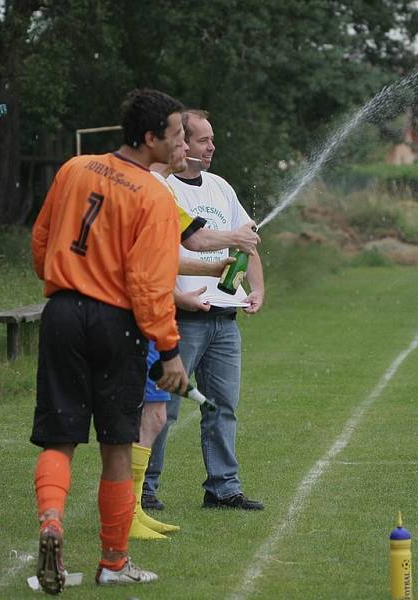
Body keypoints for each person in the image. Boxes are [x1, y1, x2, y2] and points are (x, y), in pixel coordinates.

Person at [30, 88, 190, 594]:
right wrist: (168, 351)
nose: (181, 142)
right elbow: (149, 284)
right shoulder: (155, 197)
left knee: (60, 436)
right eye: (176, 134)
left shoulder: (75, 168)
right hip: (114, 322)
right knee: (117, 445)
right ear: (150, 139)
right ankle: (114, 562)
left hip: (60, 312)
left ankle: (51, 521)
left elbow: (41, 240)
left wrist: (63, 284)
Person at [129, 145, 260, 539]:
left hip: (221, 315)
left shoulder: (216, 186)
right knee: (158, 410)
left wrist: (247, 281)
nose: (200, 148)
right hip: (173, 317)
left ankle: (222, 489)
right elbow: (190, 242)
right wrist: (177, 295)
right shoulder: (156, 185)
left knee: (220, 406)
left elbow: (213, 246)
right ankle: (141, 496)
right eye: (190, 140)